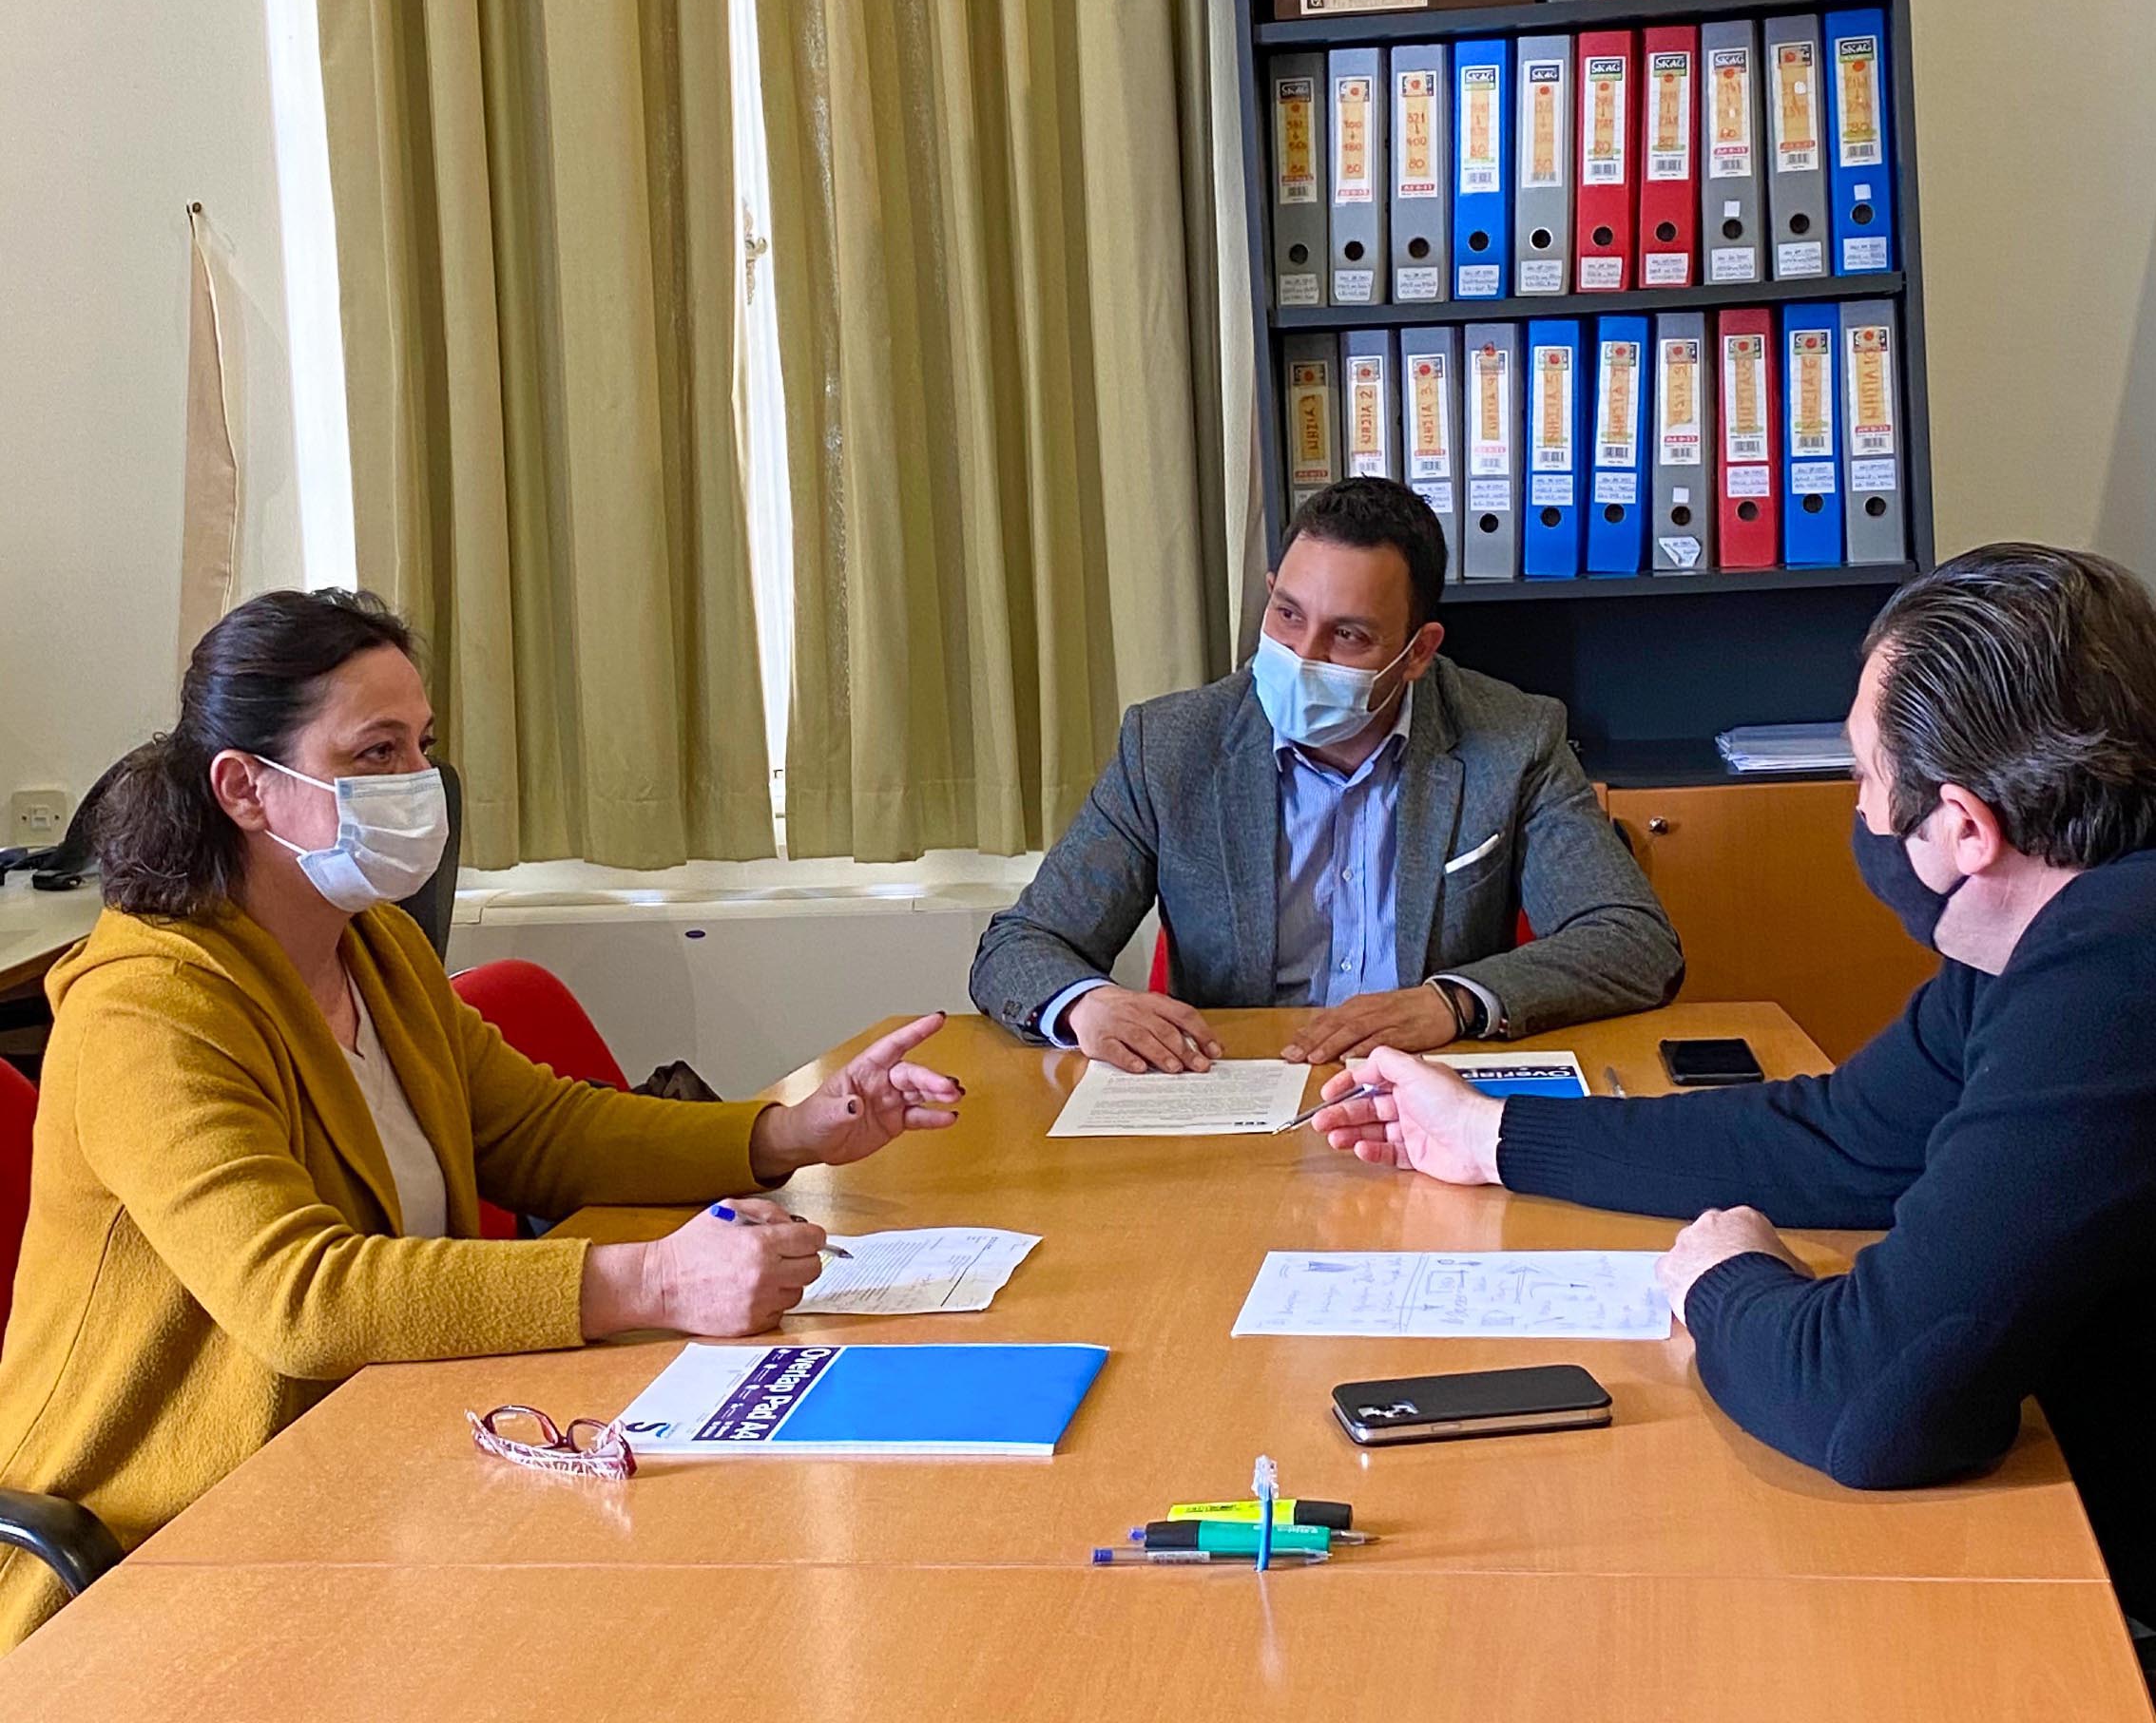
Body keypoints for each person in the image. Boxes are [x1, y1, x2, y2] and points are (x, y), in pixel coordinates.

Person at [0, 589, 963, 1652]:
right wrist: (654, 1280)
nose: (417, 782)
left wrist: (790, 1131)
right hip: (164, 1546)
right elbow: (302, 1300)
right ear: (245, 789)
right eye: (374, 752)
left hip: (383, 1465)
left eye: (422, 746)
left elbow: (538, 1133)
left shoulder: (375, 950)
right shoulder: (147, 1009)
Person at [1311, 544, 2156, 1626]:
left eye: (1866, 779)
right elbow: (1843, 1138)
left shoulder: (2112, 974)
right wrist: (1488, 1137)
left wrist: (1727, 1279)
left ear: (1965, 828)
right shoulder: (2038, 935)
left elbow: (1868, 1403)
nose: (1862, 812)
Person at [970, 476, 1684, 1073]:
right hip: (1240, 1089)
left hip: (1422, 1095)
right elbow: (1018, 946)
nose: (1303, 656)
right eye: (1287, 615)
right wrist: (1086, 1005)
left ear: (1417, 651)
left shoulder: (1514, 739)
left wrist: (1453, 1001)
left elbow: (1633, 941)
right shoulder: (1169, 747)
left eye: (1347, 634)